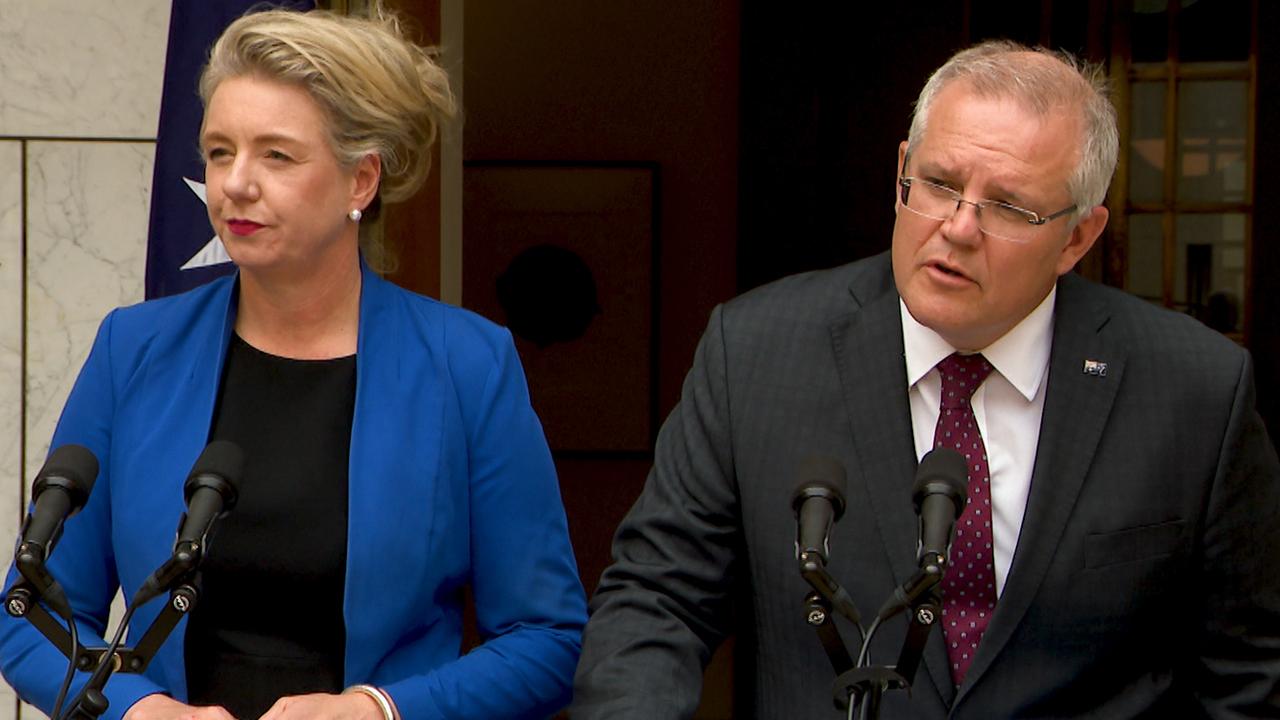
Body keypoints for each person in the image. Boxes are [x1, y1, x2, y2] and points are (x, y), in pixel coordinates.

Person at [572, 40, 1280, 718]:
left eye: (1008, 206)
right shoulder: (754, 351)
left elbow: (1248, 672)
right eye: (939, 185)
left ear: (1077, 238)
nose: (958, 227)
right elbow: (656, 603)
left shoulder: (1195, 389)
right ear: (903, 169)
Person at [0, 4, 586, 720]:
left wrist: (379, 711)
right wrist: (140, 711)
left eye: (275, 155)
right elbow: (27, 617)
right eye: (219, 152)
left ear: (360, 182)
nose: (235, 184)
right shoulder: (135, 349)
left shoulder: (466, 365)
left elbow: (546, 638)